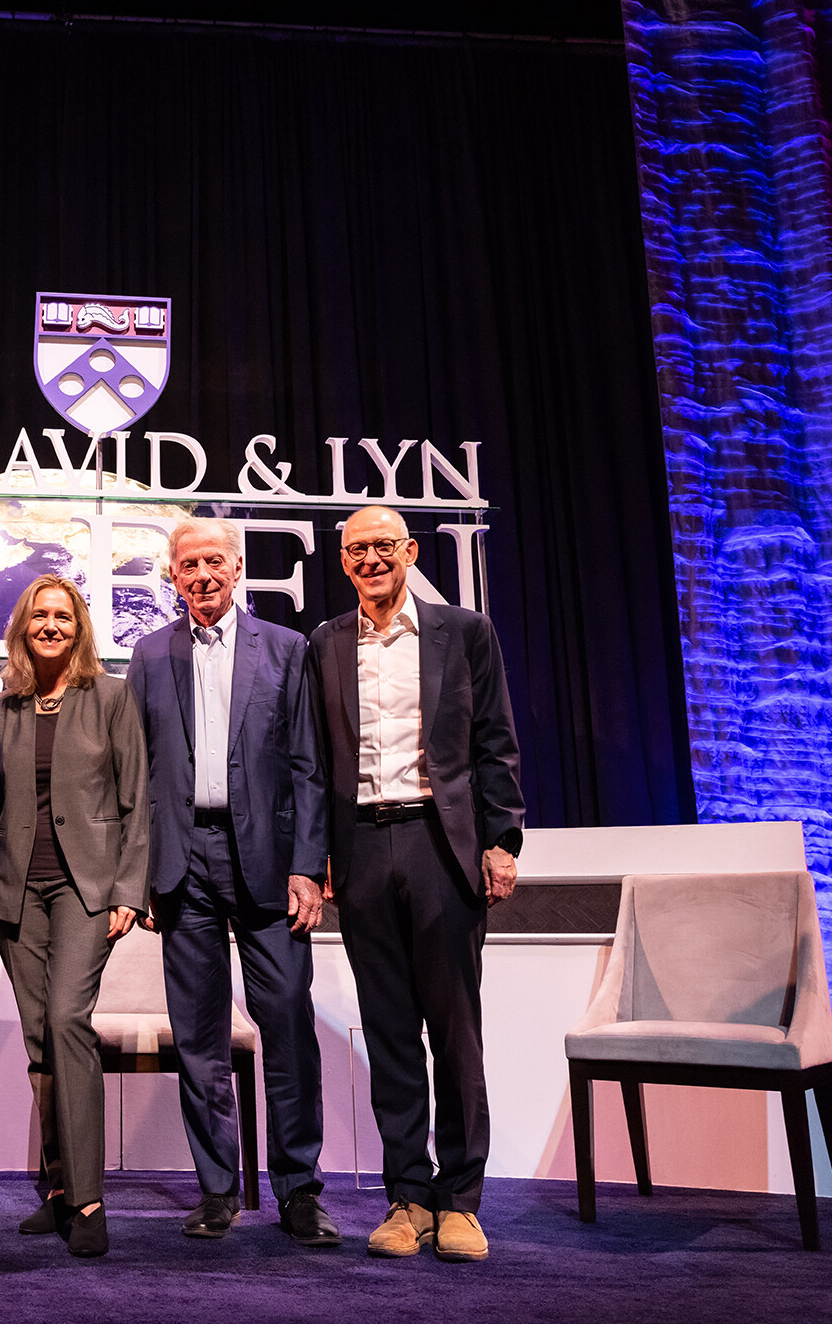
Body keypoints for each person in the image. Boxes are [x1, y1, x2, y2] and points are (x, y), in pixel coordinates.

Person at [309, 504, 522, 1264]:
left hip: (441, 841)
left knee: (454, 1030)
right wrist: (316, 856)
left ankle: (462, 1202)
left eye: (382, 546)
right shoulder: (325, 644)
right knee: (392, 1030)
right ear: (341, 561)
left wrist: (501, 841)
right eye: (356, 549)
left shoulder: (463, 632)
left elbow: (495, 741)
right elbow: (313, 763)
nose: (370, 559)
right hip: (361, 846)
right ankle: (409, 1199)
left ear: (408, 550)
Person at [124, 519, 340, 1248]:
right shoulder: (150, 655)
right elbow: (135, 776)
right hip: (182, 866)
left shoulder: (286, 648)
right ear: (173, 576)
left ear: (238, 567)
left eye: (214, 561)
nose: (202, 575)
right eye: (188, 565)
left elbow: (310, 766)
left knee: (285, 1026)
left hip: (271, 865)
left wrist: (309, 866)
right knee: (200, 1041)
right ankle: (217, 1191)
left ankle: (299, 1191)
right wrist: (143, 872)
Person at [0, 575, 150, 1259]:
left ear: (79, 629)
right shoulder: (2, 705)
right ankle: (56, 1187)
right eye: (39, 616)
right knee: (40, 1039)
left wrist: (129, 890)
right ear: (21, 628)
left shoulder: (109, 696)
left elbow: (137, 798)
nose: (50, 625)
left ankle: (89, 1197)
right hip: (14, 889)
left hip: (85, 886)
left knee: (69, 1021)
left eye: (62, 617)